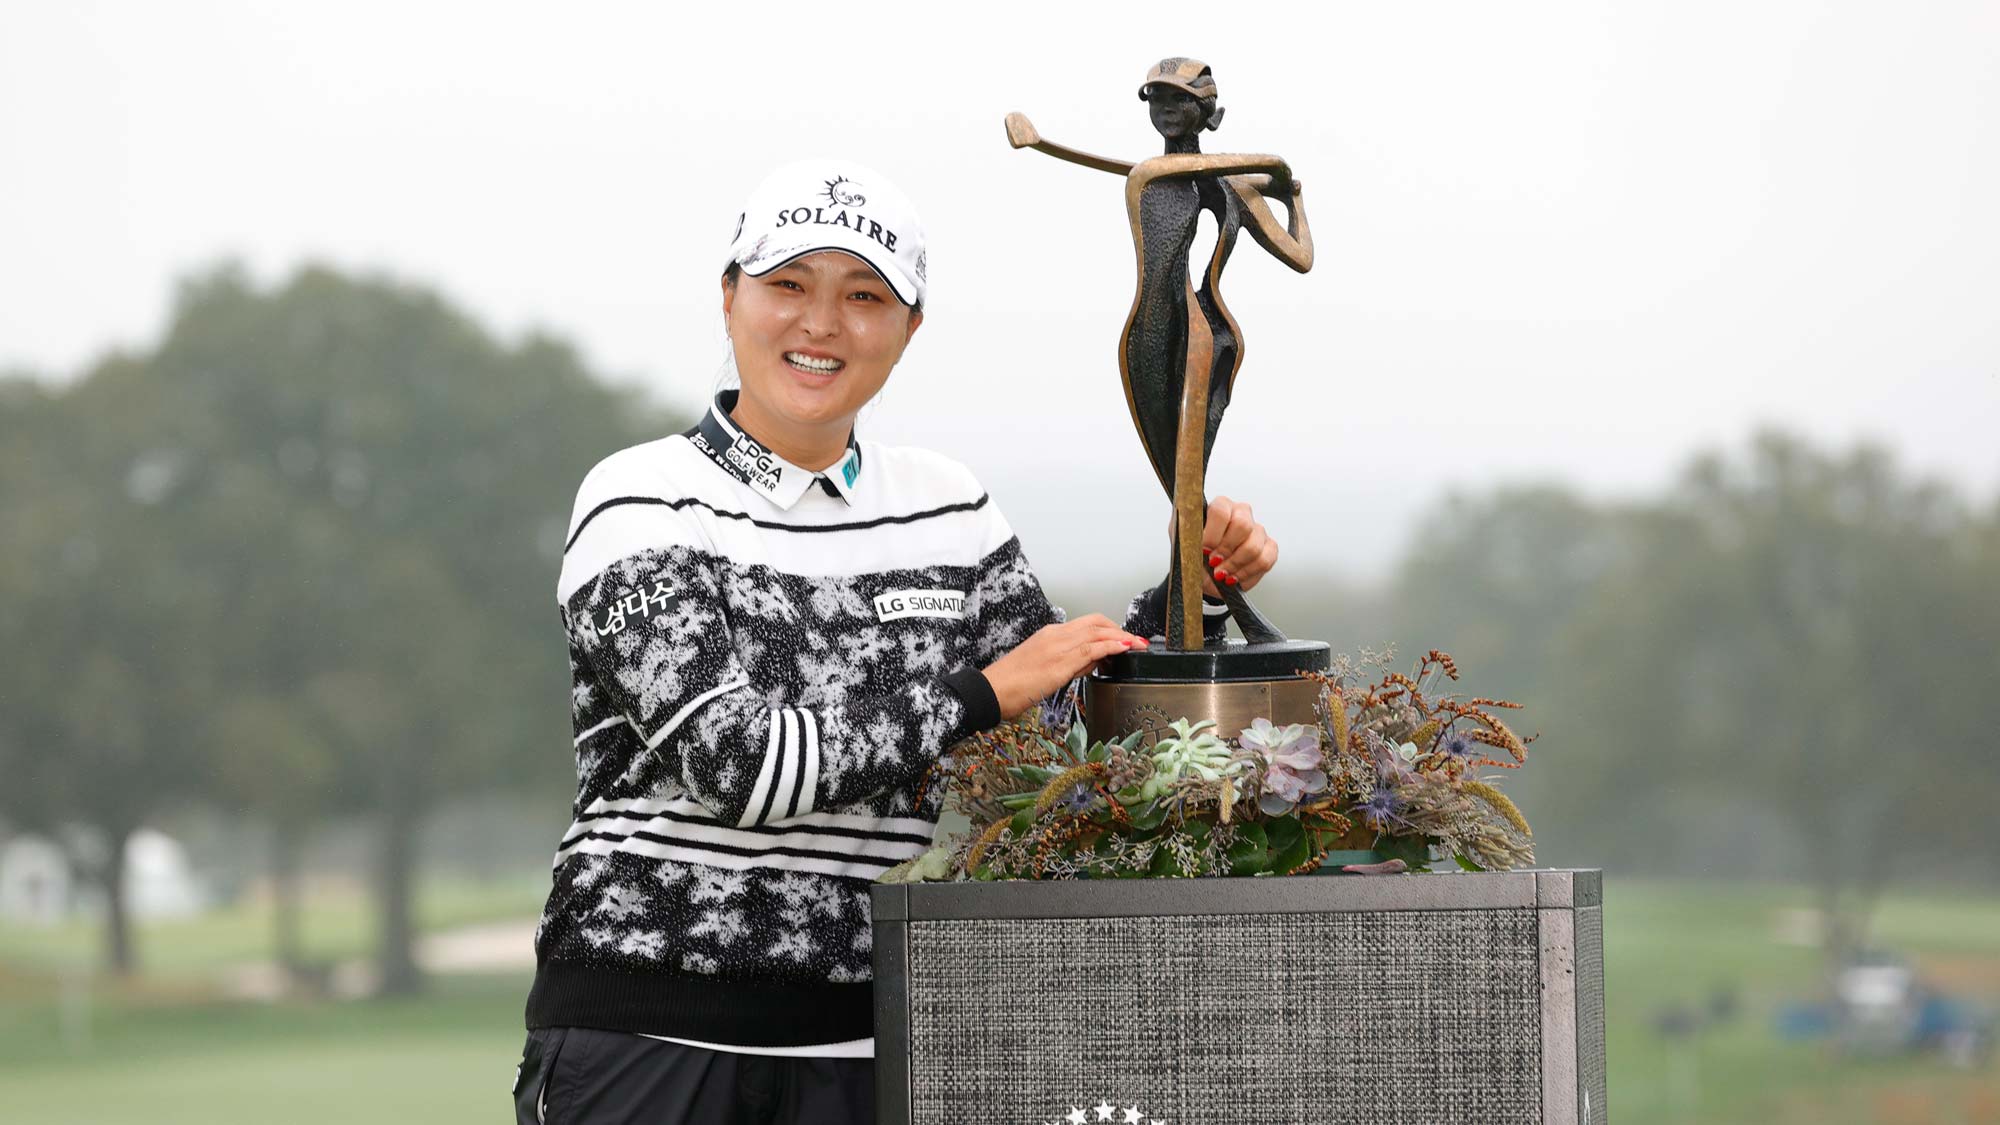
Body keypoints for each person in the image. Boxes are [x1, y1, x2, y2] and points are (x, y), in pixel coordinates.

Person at [513, 159, 1280, 1125]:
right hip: (648, 1038)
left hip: (871, 1046)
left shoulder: (949, 506)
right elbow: (740, 765)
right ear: (728, 299)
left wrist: (1191, 594)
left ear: (910, 329)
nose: (821, 323)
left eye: (865, 296)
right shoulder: (638, 499)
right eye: (787, 284)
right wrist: (979, 693)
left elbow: (1058, 748)